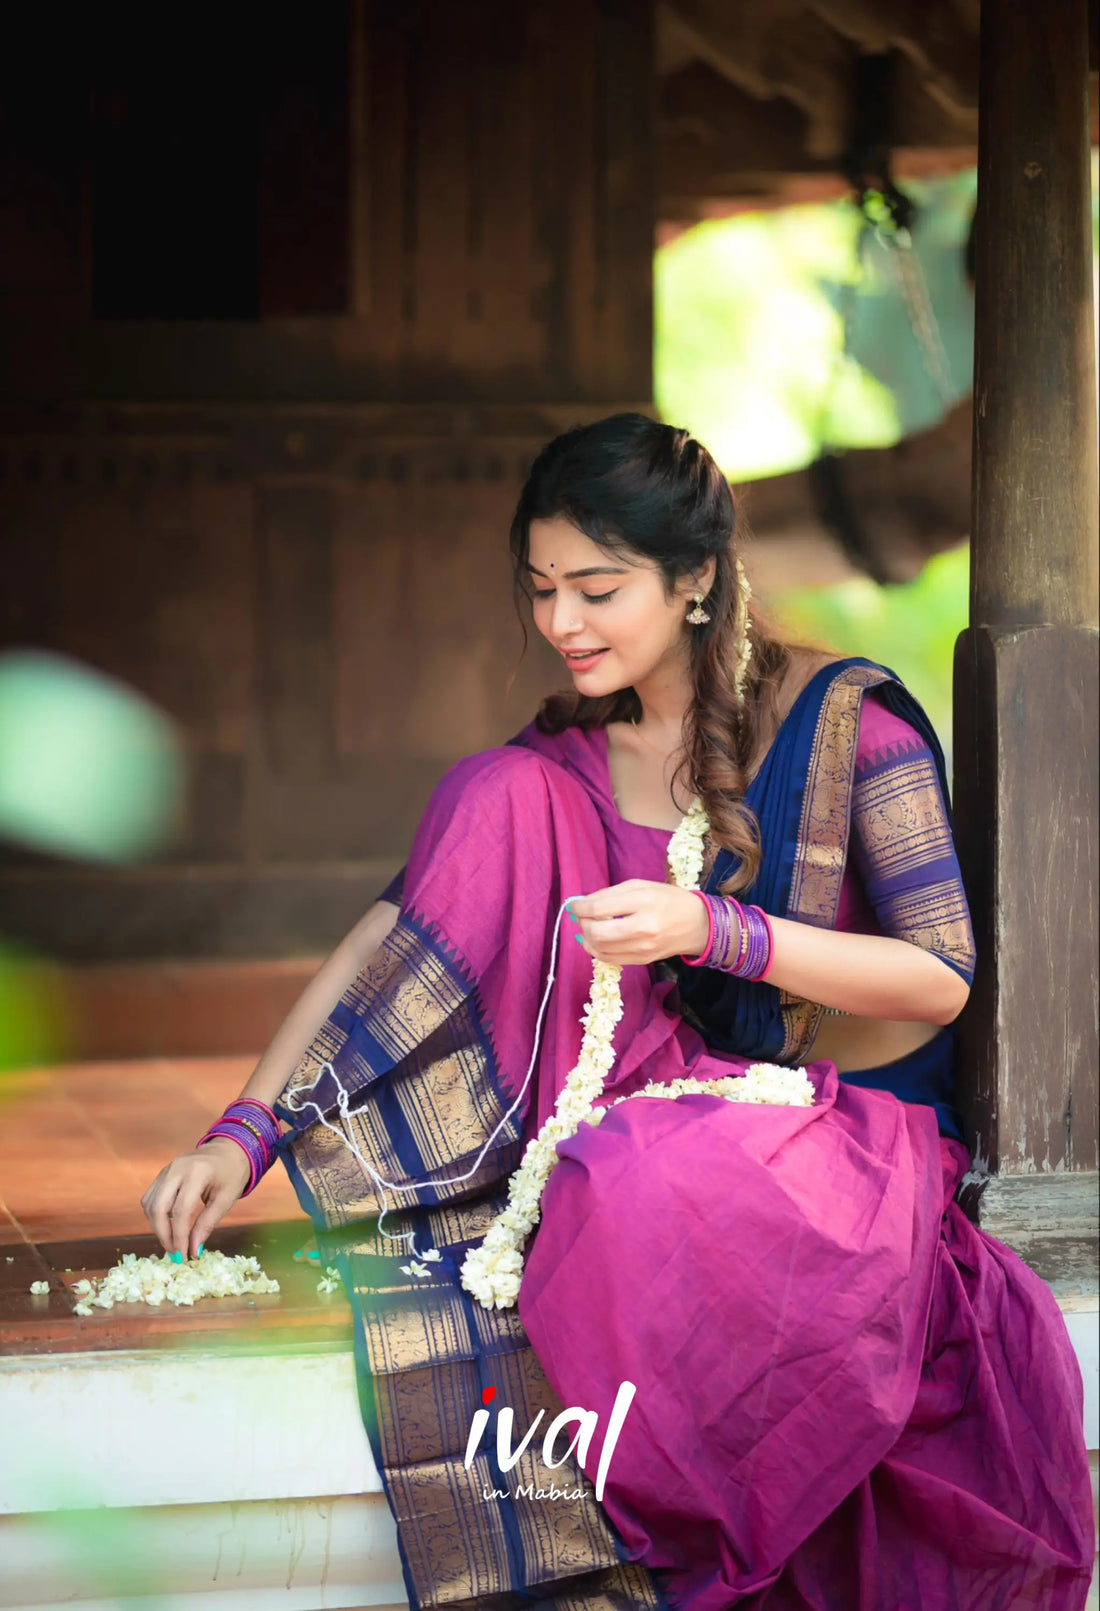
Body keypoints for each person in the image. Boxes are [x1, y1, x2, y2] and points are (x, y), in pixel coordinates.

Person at [141, 416, 1094, 1611]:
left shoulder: (844, 722)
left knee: (642, 1185)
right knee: (498, 811)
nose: (559, 624)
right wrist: (247, 1128)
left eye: (595, 589)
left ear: (694, 581)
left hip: (835, 1118)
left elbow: (940, 977)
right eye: (540, 589)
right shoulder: (563, 761)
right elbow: (397, 937)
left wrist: (717, 933)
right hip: (621, 1110)